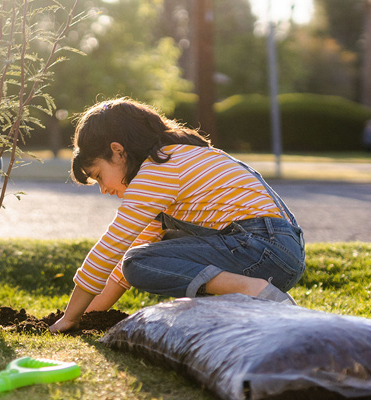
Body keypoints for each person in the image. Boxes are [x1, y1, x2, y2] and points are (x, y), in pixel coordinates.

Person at [49, 98, 306, 333]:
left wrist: (69, 318)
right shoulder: (174, 157)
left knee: (135, 262)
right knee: (147, 251)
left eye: (98, 176)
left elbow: (110, 249)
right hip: (279, 249)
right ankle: (240, 302)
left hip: (263, 249)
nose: (104, 190)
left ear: (118, 151)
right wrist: (88, 316)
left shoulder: (157, 171)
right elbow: (129, 257)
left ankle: (252, 290)